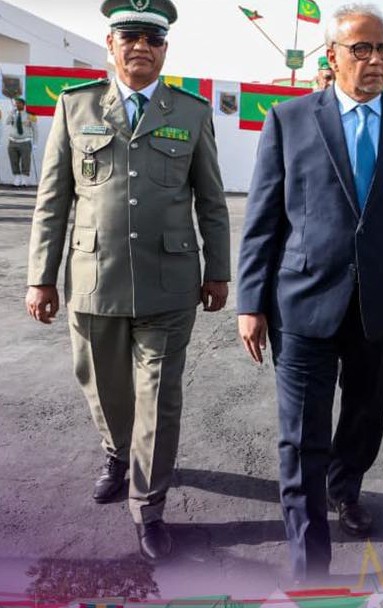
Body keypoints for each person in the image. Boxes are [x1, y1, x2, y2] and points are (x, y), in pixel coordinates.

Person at [236, 3, 383, 581]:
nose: (375, 60)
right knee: (301, 435)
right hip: (302, 303)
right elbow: (263, 220)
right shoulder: (289, 119)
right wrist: (250, 302)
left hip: (382, 307)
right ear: (332, 55)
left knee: (364, 415)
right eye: (362, 49)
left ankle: (346, 486)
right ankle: (310, 564)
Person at [25, 0, 230, 561]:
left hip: (170, 283)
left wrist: (219, 271)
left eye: (152, 39)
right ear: (110, 44)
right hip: (95, 279)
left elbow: (212, 201)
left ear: (166, 49)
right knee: (105, 388)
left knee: (159, 398)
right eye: (129, 35)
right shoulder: (76, 106)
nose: (141, 45)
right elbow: (52, 202)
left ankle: (149, 505)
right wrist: (41, 278)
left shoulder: (190, 111)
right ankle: (117, 452)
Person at [7, 97, 38, 187]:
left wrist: (35, 143)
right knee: (14, 160)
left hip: (25, 141)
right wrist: (11, 114)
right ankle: (17, 178)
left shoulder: (30, 115)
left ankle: (24, 180)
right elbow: (7, 122)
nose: (17, 105)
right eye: (16, 103)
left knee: (25, 161)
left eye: (19, 103)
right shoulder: (13, 114)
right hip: (13, 141)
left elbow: (35, 130)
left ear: (23, 105)